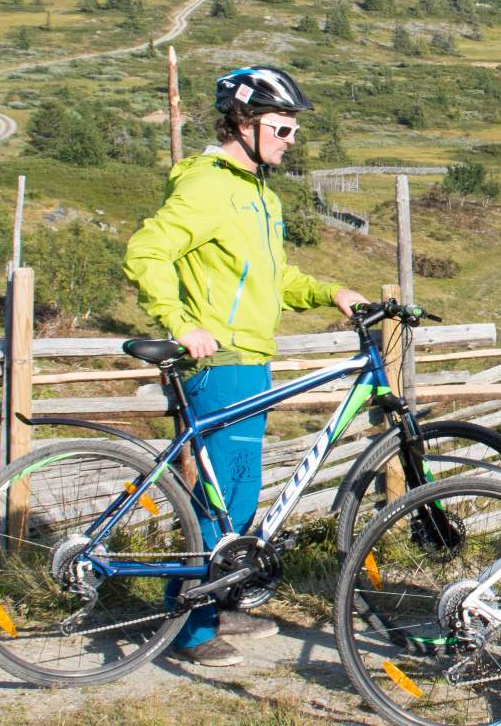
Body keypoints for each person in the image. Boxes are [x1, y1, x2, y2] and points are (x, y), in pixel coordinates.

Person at [122, 65, 365, 668]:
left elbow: (274, 277)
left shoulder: (261, 194)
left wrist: (330, 291)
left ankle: (218, 601)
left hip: (251, 358)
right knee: (224, 499)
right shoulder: (208, 187)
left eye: (293, 131)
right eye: (281, 128)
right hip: (220, 360)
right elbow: (146, 251)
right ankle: (191, 631)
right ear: (244, 123)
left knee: (238, 499)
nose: (289, 139)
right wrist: (180, 323)